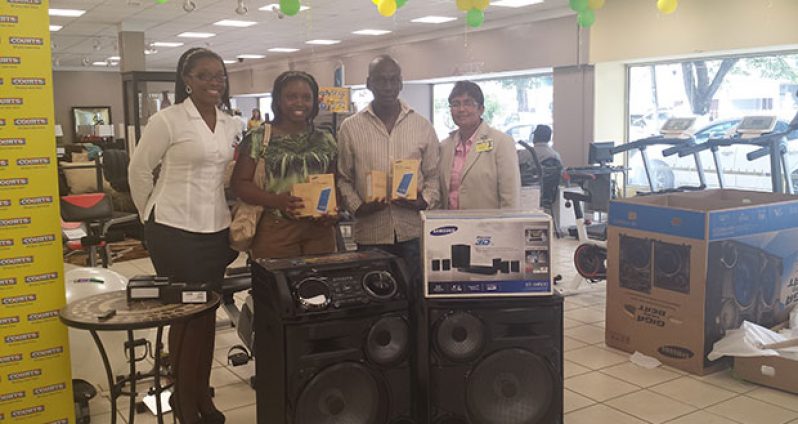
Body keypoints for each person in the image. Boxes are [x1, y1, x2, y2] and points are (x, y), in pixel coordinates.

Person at [128, 47, 238, 424]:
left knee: (207, 315)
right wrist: (149, 217)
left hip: (215, 230)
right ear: (187, 80)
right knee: (186, 315)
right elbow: (139, 170)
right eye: (205, 76)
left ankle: (202, 396)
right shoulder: (168, 120)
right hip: (174, 230)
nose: (214, 83)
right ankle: (183, 401)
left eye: (219, 76)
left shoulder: (229, 124)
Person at [337, 55, 440, 283]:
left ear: (401, 83)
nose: (388, 87)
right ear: (368, 83)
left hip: (412, 231)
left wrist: (423, 201)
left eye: (393, 80)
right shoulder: (350, 128)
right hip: (371, 233)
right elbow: (343, 177)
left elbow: (433, 175)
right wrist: (358, 207)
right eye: (381, 80)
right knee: (376, 300)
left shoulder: (422, 126)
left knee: (415, 298)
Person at [231, 71, 338, 259]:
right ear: (278, 100)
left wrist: (333, 211)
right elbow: (239, 184)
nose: (299, 103)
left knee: (319, 286)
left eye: (306, 97)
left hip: (319, 231)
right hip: (276, 229)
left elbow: (335, 182)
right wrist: (277, 201)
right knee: (277, 286)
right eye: (291, 97)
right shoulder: (259, 137)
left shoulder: (325, 139)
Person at [439, 81, 520, 210]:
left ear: (481, 109)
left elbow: (510, 198)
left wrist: (506, 228)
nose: (461, 109)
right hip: (450, 227)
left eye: (468, 103)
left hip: (488, 228)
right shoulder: (445, 146)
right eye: (455, 104)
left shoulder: (501, 142)